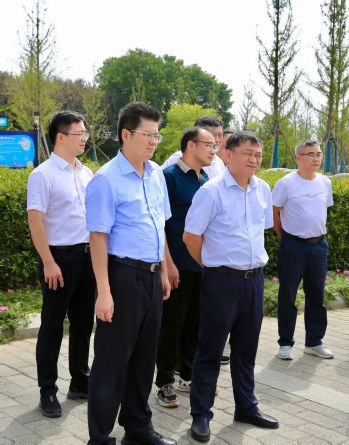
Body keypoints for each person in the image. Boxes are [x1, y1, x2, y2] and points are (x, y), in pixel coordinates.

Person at [85, 102, 176, 445]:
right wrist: (104, 291)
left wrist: (163, 270)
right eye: (147, 134)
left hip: (151, 277)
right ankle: (100, 437)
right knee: (111, 361)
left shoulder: (156, 174)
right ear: (126, 134)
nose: (153, 141)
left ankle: (138, 427)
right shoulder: (106, 179)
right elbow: (98, 236)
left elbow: (159, 225)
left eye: (157, 135)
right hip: (121, 276)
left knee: (144, 358)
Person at [183, 131, 279, 442]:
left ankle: (246, 406)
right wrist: (211, 265)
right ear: (228, 155)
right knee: (210, 350)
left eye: (258, 155)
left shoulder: (263, 189)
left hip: (254, 281)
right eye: (247, 153)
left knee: (246, 349)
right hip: (221, 282)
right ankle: (201, 414)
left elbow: (261, 231)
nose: (254, 159)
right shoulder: (211, 192)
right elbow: (190, 236)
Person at [27, 110, 96, 418]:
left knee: (83, 323)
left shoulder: (86, 172)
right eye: (80, 133)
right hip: (59, 258)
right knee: (53, 326)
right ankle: (48, 390)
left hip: (87, 257)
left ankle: (80, 381)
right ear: (61, 137)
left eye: (85, 133)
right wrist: (48, 262)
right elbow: (36, 221)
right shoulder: (43, 175)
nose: (85, 138)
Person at [155, 127, 215, 408]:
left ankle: (187, 376)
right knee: (171, 324)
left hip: (201, 264)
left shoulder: (205, 179)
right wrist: (168, 264)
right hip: (177, 265)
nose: (214, 150)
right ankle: (164, 380)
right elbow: (160, 223)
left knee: (195, 323)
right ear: (191, 145)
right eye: (209, 144)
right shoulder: (168, 177)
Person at [273, 140, 334, 360]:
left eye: (318, 154)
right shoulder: (286, 183)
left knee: (317, 294)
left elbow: (323, 210)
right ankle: (285, 343)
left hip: (319, 246)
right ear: (298, 157)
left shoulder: (325, 182)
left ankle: (314, 341)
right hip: (293, 245)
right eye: (311, 154)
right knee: (288, 295)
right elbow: (275, 212)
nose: (316, 158)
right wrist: (287, 237)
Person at [161, 116, 226, 179]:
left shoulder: (219, 163)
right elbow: (159, 178)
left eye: (220, 135)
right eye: (212, 135)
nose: (217, 140)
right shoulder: (179, 157)